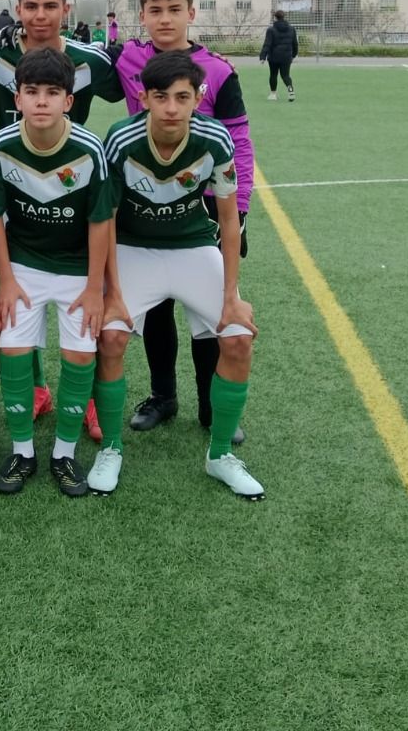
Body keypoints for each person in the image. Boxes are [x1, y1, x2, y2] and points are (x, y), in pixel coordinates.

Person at [96, 50, 263, 499]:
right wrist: (109, 291)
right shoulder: (119, 139)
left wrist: (232, 295)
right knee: (109, 337)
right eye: (161, 97)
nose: (171, 107)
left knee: (238, 336)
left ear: (198, 97)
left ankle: (221, 454)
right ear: (144, 96)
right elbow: (106, 220)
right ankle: (110, 449)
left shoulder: (215, 140)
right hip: (134, 249)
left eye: (182, 97)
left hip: (192, 245)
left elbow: (228, 220)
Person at [0, 0, 123, 421]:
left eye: (50, 6)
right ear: (18, 9)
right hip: (14, 186)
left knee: (89, 291)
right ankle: (35, 388)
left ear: (65, 11)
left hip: (72, 185)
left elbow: (134, 78)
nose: (40, 15)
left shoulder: (88, 61)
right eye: (31, 6)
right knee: (20, 292)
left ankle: (90, 394)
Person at [115, 0, 255, 446]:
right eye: (155, 10)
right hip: (145, 205)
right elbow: (75, 64)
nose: (166, 19)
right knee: (155, 308)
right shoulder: (129, 59)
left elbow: (239, 137)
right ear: (143, 15)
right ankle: (162, 395)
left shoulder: (217, 70)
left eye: (175, 9)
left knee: (207, 314)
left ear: (191, 12)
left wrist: (239, 207)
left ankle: (211, 405)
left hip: (203, 205)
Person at [0, 49, 112, 498]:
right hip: (24, 265)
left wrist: (95, 288)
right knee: (12, 354)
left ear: (68, 102)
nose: (41, 102)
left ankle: (63, 454)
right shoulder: (2, 145)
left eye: (52, 93)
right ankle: (23, 452)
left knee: (79, 356)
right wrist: (7, 279)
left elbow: (99, 221)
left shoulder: (89, 150)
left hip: (77, 270)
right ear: (17, 98)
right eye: (31, 92)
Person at [260, 10, 299, 101]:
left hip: (274, 57)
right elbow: (295, 43)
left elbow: (267, 44)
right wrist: (293, 54)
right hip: (286, 56)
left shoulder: (271, 30)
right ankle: (291, 90)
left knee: (273, 74)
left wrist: (263, 56)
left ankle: (273, 94)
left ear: (275, 18)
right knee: (286, 75)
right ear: (284, 17)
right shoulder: (291, 29)